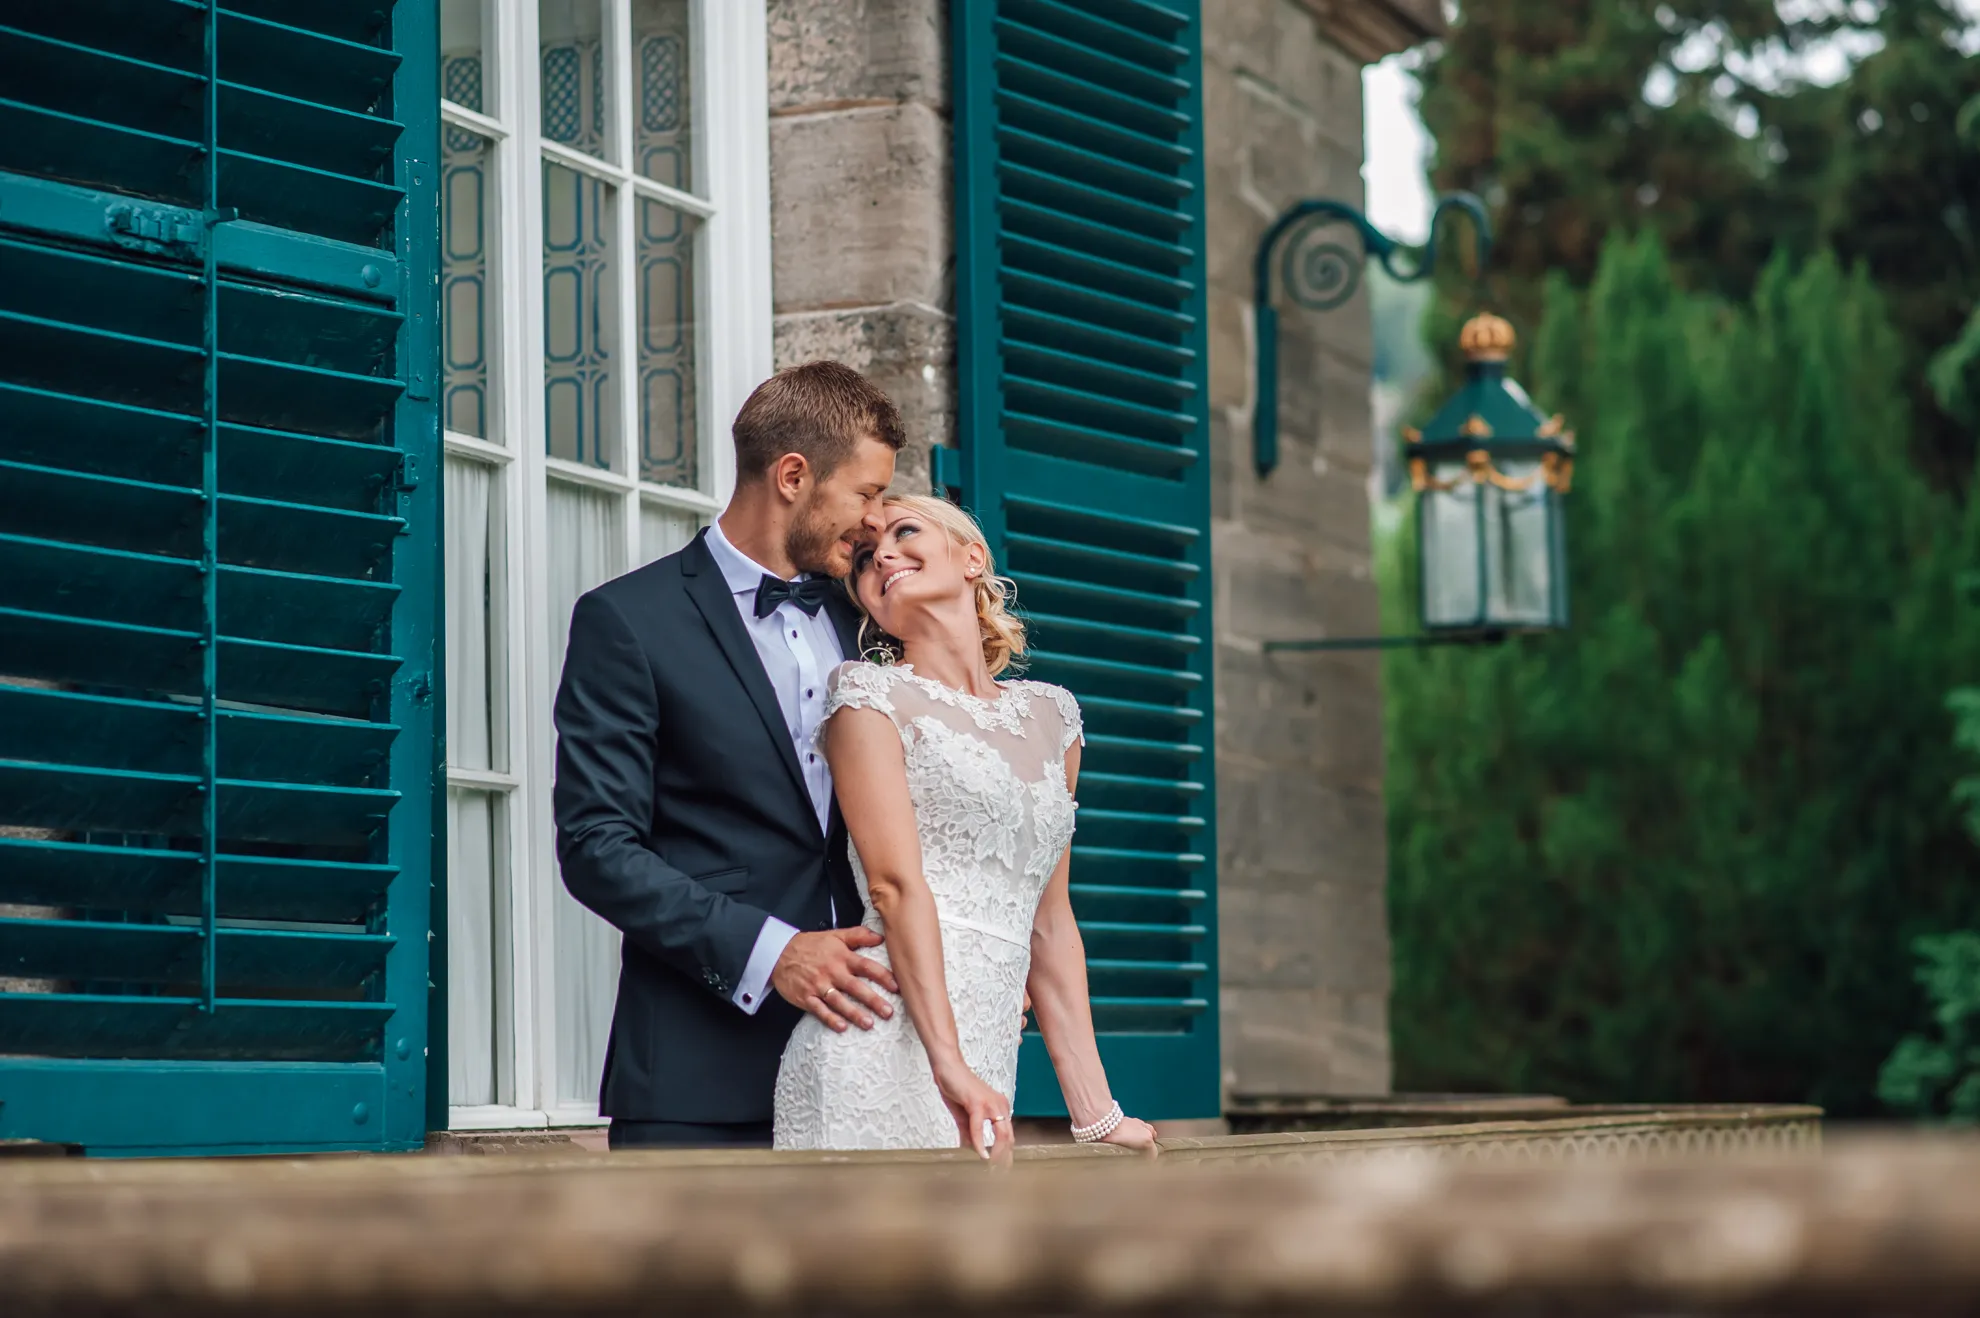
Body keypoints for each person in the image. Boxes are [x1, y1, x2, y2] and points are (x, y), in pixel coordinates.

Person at [552, 360, 908, 1149]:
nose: (879, 522)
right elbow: (595, 848)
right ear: (792, 475)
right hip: (696, 1080)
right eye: (866, 493)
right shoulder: (627, 622)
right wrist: (771, 951)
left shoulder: (873, 622)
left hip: (873, 1073)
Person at [771, 495, 1158, 1162]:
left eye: (904, 531)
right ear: (868, 604)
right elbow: (894, 887)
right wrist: (949, 1066)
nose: (882, 554)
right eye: (865, 559)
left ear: (972, 556)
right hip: (880, 1040)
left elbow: (1051, 921)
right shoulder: (865, 696)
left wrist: (1096, 1113)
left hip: (987, 1048)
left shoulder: (1054, 717)